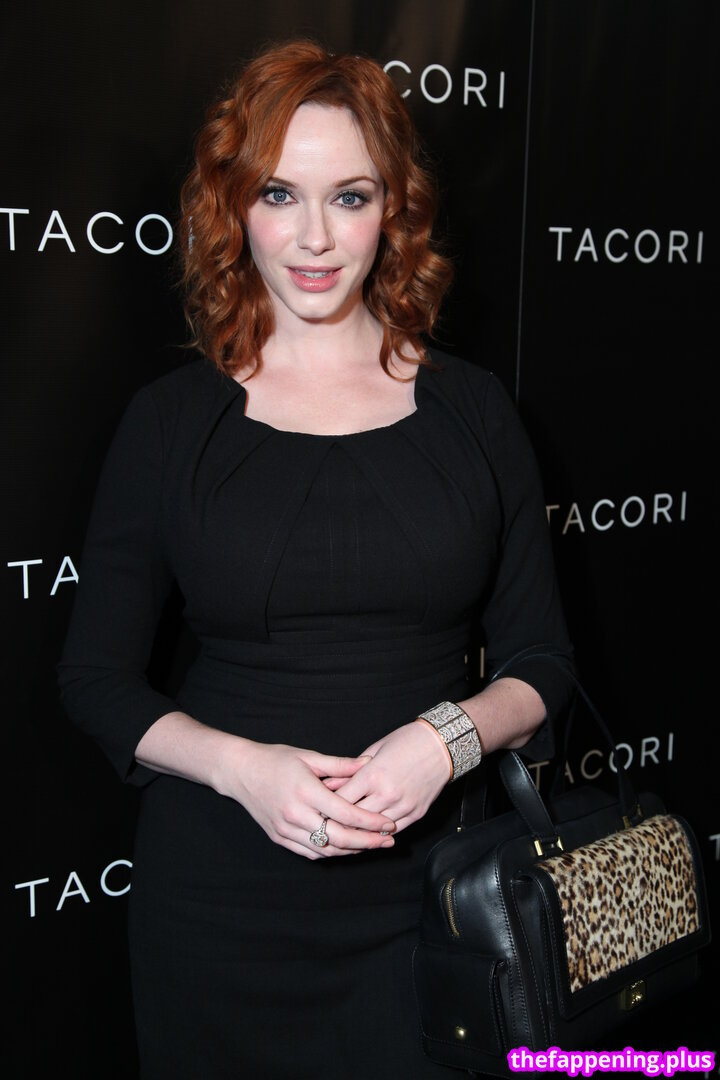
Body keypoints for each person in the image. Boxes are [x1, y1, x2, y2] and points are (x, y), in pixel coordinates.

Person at [58, 39, 575, 1080]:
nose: (313, 238)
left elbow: (542, 666)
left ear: (394, 210)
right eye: (278, 194)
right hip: (217, 910)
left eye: (349, 197)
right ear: (233, 205)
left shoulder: (475, 411)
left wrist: (445, 742)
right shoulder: (170, 424)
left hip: (439, 907)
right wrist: (243, 769)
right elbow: (95, 678)